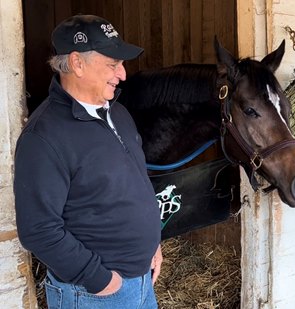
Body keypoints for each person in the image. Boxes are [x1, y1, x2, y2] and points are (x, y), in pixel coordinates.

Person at [14, 14, 162, 308]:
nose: (122, 74)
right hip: (96, 293)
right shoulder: (43, 136)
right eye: (112, 64)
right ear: (77, 63)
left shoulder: (117, 113)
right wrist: (101, 280)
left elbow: (135, 183)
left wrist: (153, 243)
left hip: (144, 279)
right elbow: (39, 229)